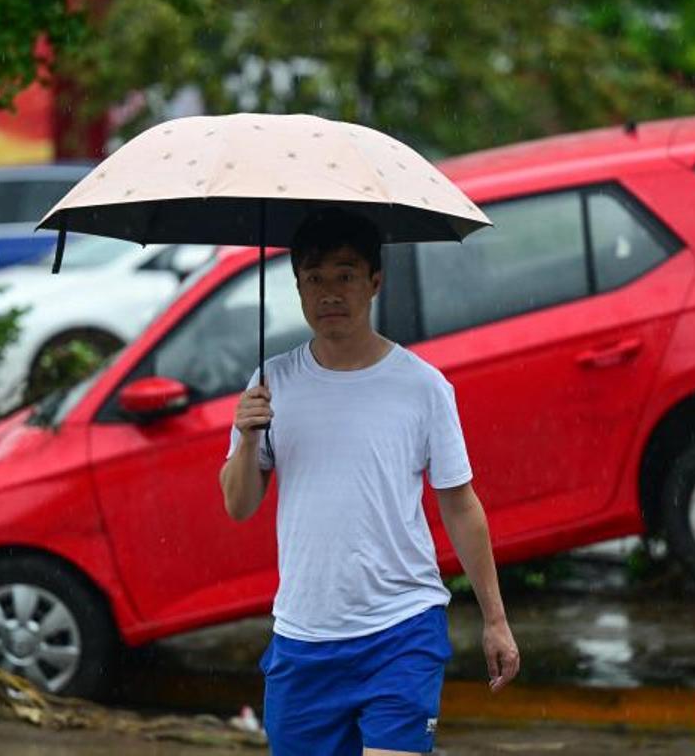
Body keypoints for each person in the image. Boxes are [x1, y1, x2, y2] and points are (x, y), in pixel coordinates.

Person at [219, 209, 520, 756]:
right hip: (303, 640)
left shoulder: (422, 386)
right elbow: (239, 506)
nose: (329, 292)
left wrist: (495, 620)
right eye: (314, 278)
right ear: (297, 287)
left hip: (400, 630)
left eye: (345, 275)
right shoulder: (271, 383)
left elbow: (460, 505)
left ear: (375, 282)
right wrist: (244, 436)